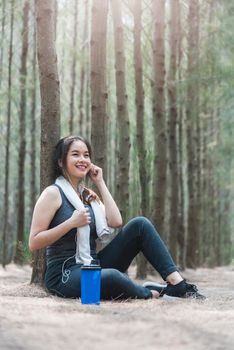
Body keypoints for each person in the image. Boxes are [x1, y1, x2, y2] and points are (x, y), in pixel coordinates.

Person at [29, 135, 205, 300]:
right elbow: (34, 242)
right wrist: (70, 223)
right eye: (75, 154)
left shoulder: (87, 195)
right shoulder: (53, 193)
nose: (83, 159)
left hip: (93, 265)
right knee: (113, 276)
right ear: (61, 161)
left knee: (140, 225)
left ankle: (177, 284)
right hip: (64, 275)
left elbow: (116, 222)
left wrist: (100, 182)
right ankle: (152, 293)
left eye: (86, 155)